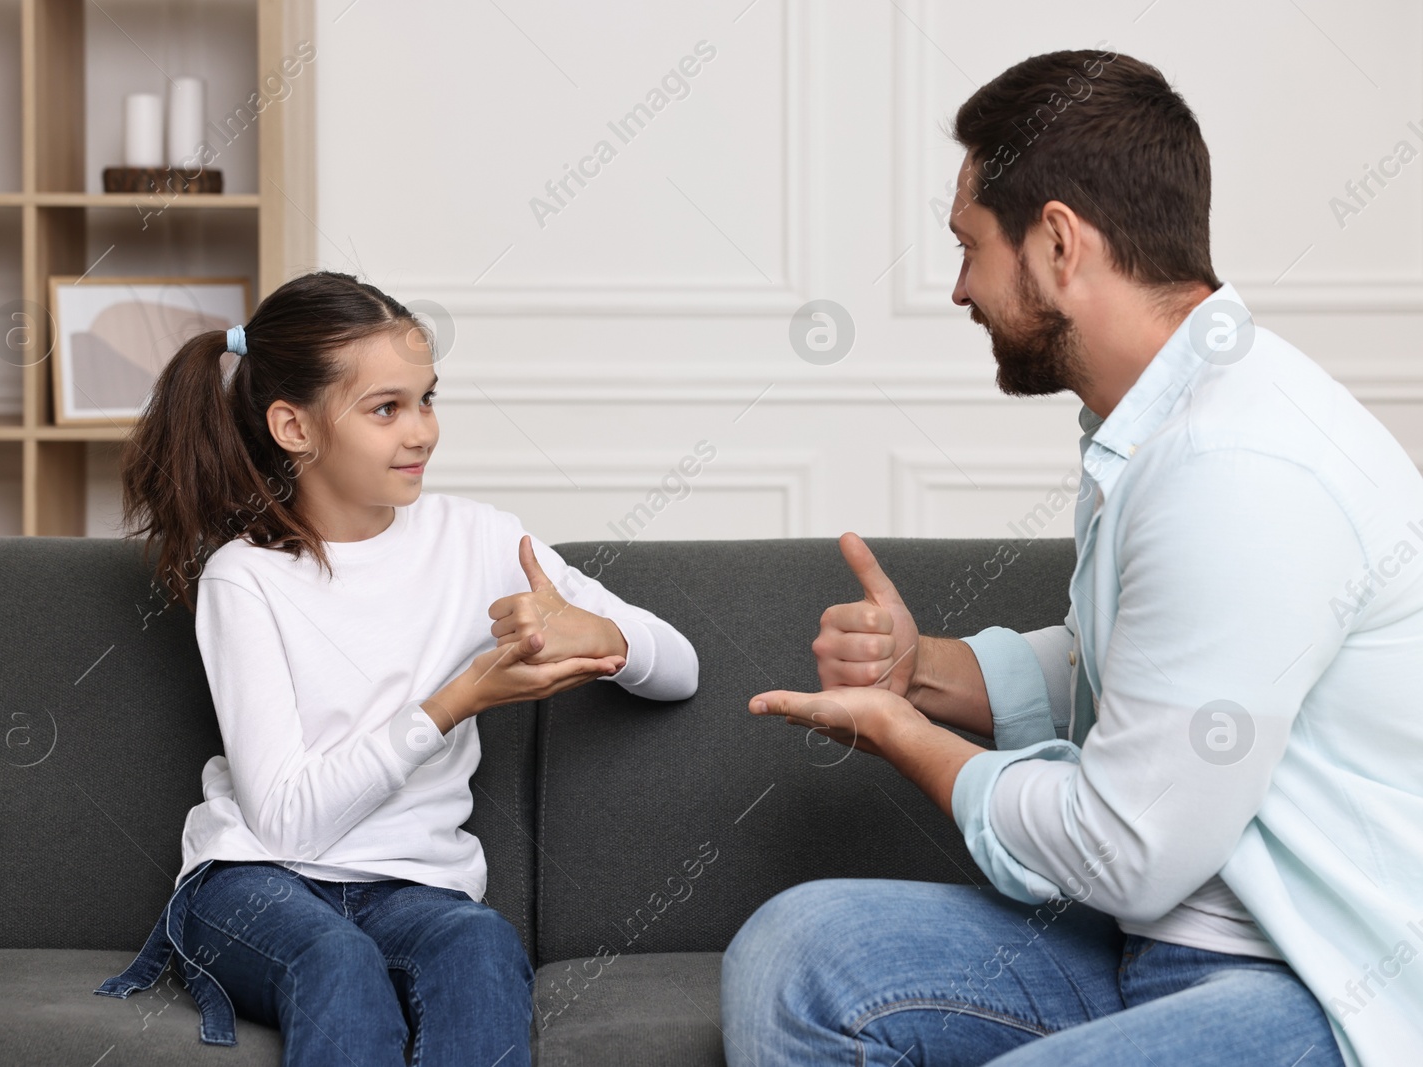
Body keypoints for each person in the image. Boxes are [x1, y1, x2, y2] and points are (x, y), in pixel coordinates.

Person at [721, 48, 1423, 1067]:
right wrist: (921, 670)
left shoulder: (1236, 466)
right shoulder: (1164, 415)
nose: (959, 288)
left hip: (1311, 978)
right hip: (1162, 937)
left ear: (1057, 242)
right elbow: (1163, 675)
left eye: (969, 247)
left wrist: (905, 736)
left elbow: (1125, 846)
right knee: (800, 953)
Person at [91, 271, 699, 1066]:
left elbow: (680, 668)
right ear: (293, 426)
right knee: (337, 960)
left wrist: (601, 632)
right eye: (387, 408)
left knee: (480, 947)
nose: (422, 433)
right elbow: (287, 824)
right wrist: (454, 702)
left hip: (417, 889)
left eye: (428, 399)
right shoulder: (245, 578)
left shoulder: (479, 540)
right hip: (253, 883)